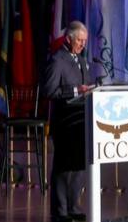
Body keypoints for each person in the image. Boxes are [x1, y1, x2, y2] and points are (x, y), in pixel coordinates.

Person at [41, 21, 92, 222]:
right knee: (64, 168)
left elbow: (85, 86)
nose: (82, 45)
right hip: (64, 122)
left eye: (85, 41)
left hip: (81, 122)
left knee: (79, 166)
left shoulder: (81, 59)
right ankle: (59, 212)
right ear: (69, 38)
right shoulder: (57, 60)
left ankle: (74, 207)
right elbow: (48, 91)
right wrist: (75, 90)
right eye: (80, 40)